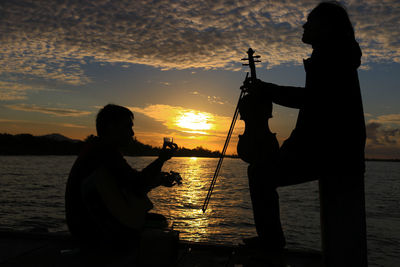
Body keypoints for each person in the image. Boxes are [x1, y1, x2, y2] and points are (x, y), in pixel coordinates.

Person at [242, 2, 367, 265]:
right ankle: (271, 242)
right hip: (334, 148)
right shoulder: (336, 55)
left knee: (259, 174)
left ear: (326, 26)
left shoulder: (331, 56)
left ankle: (272, 245)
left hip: (328, 150)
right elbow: (317, 103)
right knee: (261, 173)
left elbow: (312, 100)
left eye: (310, 22)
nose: (304, 25)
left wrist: (268, 90)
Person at [65, 104, 180, 248]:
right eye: (128, 127)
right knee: (158, 224)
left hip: (85, 227)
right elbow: (137, 185)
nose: (132, 133)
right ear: (111, 127)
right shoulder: (104, 152)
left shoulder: (97, 149)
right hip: (92, 231)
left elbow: (126, 186)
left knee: (153, 222)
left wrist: (158, 180)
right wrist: (161, 159)